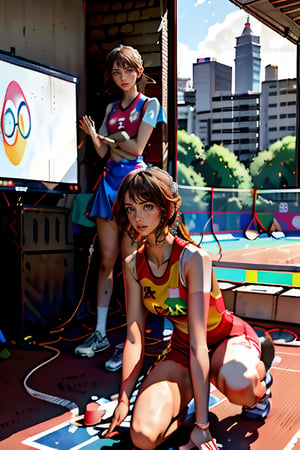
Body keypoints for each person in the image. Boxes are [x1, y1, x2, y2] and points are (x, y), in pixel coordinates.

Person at [103, 166, 275, 449]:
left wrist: (203, 426)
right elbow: (134, 336)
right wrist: (124, 397)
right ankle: (185, 403)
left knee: (240, 385)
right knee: (142, 436)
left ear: (165, 209)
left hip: (223, 338)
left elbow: (200, 341)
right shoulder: (133, 264)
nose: (138, 217)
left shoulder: (194, 259)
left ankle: (262, 381)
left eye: (147, 206)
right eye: (130, 208)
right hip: (182, 347)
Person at [74, 45, 166, 370]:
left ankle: (132, 338)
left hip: (133, 191)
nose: (122, 76)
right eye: (116, 72)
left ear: (139, 72)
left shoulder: (150, 104)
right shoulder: (111, 106)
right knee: (106, 261)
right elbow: (103, 152)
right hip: (108, 184)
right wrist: (96, 136)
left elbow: (138, 147)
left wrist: (112, 139)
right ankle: (99, 333)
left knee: (130, 264)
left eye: (128, 70)